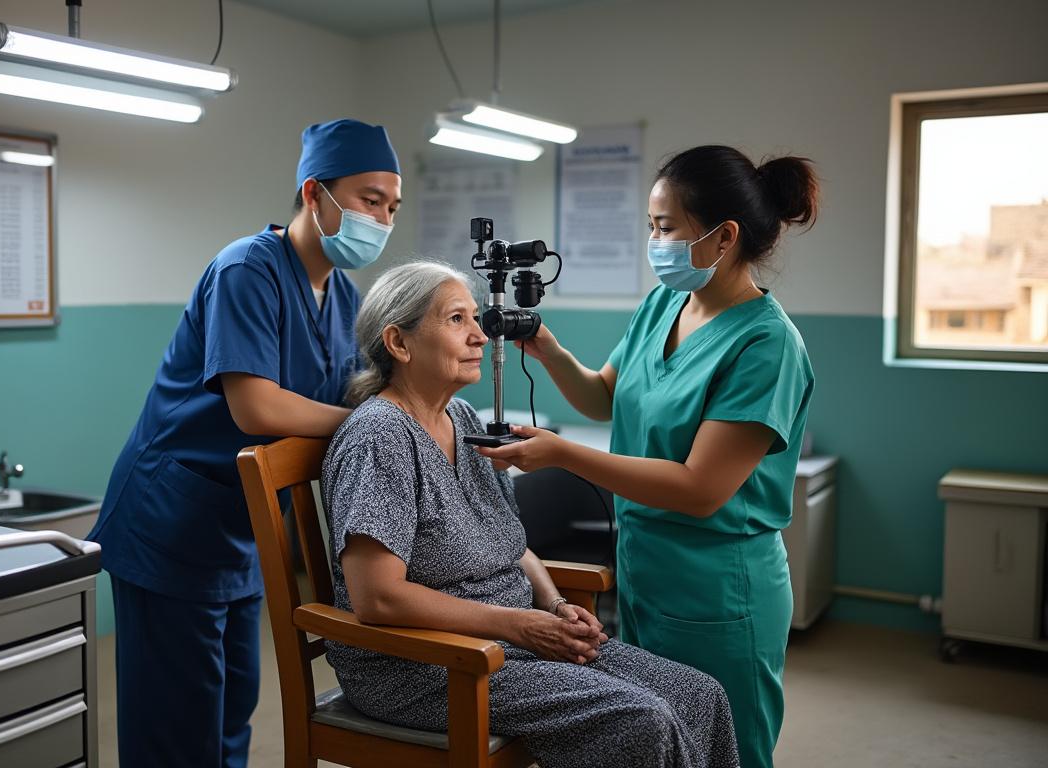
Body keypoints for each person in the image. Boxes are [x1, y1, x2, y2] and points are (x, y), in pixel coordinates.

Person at [477, 145, 819, 768]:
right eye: (651, 227)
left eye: (666, 228)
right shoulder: (665, 305)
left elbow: (699, 487)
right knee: (657, 744)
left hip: (719, 586)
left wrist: (563, 455)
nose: (654, 241)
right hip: (643, 567)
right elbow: (604, 397)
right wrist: (549, 349)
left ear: (724, 237)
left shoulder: (767, 344)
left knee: (725, 748)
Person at [322, 262, 740, 768]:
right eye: (457, 320)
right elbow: (377, 598)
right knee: (640, 718)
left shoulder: (462, 417)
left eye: (476, 318)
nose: (480, 335)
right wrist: (520, 625)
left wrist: (556, 604)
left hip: (509, 637)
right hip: (425, 662)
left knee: (700, 694)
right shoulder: (379, 436)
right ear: (399, 342)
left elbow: (511, 543)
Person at [88, 119, 402, 767]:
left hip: (242, 533)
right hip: (170, 522)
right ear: (315, 194)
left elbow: (352, 395)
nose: (383, 218)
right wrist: (369, 424)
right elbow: (256, 406)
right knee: (177, 726)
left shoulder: (342, 295)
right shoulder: (246, 269)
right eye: (371, 200)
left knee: (230, 713)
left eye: (393, 207)